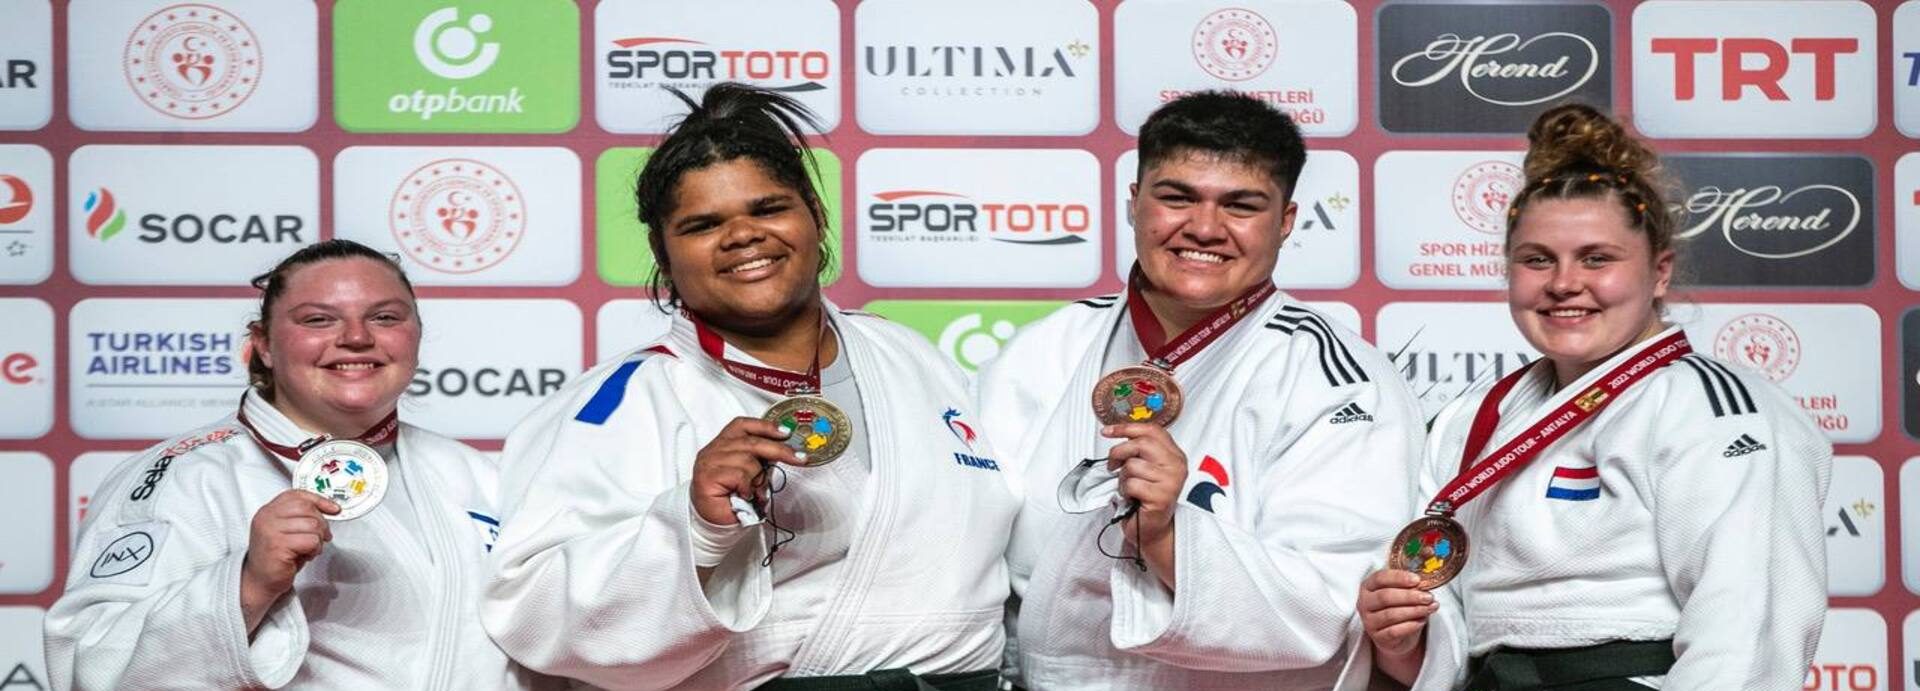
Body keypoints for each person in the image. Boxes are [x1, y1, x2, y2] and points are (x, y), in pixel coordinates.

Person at [480, 83, 1017, 691]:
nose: (743, 236)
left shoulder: (909, 356)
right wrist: (691, 524)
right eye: (703, 224)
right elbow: (531, 611)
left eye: (767, 209)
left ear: (814, 214)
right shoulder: (621, 401)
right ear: (662, 250)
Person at [1355, 103, 1832, 690]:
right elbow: (1455, 626)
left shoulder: (1717, 409)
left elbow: (1750, 634)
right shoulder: (1473, 418)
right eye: (1536, 260)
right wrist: (1406, 639)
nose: (1562, 284)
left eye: (1596, 259)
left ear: (1659, 272)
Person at [975, 91, 1424, 690]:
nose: (1205, 228)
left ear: (1286, 223)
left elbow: (1328, 604)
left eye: (1241, 205)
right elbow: (969, 550)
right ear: (1135, 204)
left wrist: (1166, 536)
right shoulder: (1046, 349)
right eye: (1177, 197)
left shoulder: (1340, 379)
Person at [45, 240, 549, 690]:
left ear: (416, 335)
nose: (356, 338)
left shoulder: (472, 475)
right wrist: (246, 583)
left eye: (385, 317)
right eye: (317, 319)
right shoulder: (189, 475)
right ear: (262, 344)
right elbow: (90, 665)